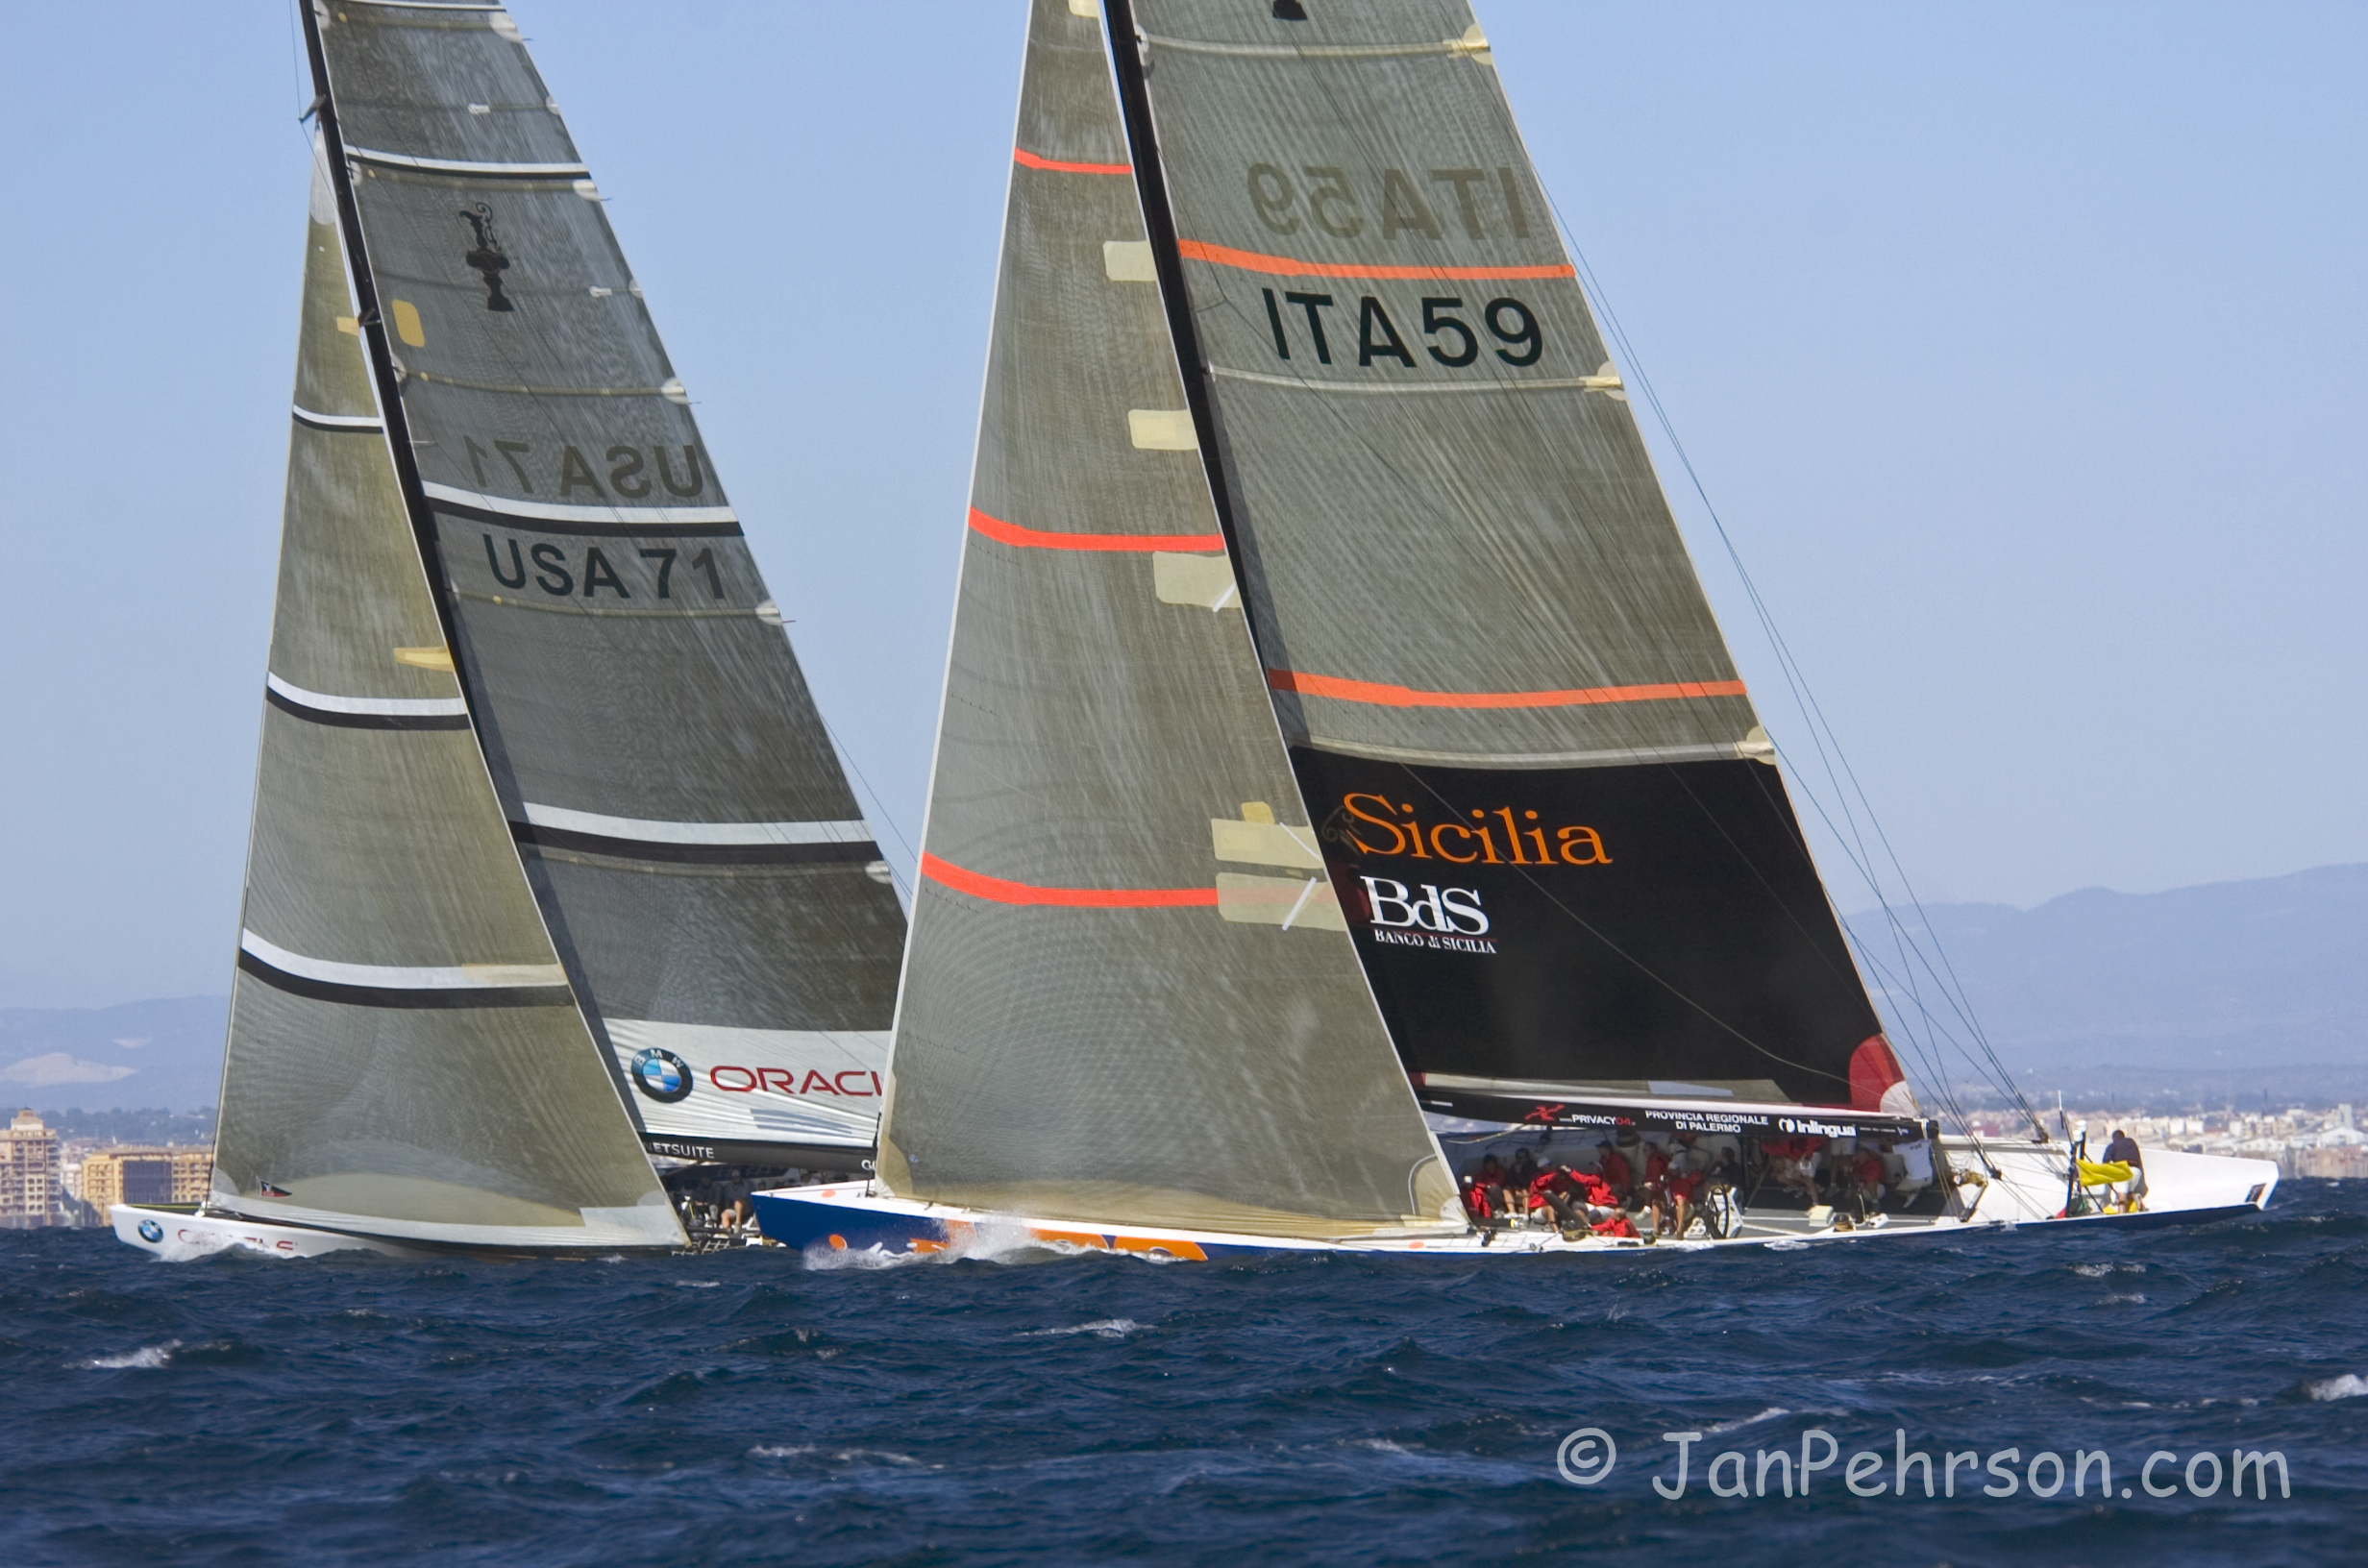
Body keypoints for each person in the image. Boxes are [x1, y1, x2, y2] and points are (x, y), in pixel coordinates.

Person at [2101, 1128, 2147, 1212]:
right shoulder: (2132, 1142)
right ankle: (2136, 1197)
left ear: (2114, 1138)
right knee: (2128, 1192)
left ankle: (2121, 1217)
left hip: (2123, 1172)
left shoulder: (2112, 1146)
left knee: (2121, 1198)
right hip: (2136, 1172)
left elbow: (2106, 1162)